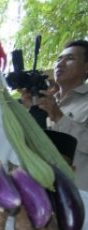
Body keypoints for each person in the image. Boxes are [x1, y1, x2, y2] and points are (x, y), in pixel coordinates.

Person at [21, 39, 88, 190]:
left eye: (70, 58)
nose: (60, 63)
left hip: (80, 195)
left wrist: (59, 116)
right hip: (45, 193)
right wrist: (29, 112)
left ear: (86, 68)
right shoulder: (47, 101)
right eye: (59, 59)